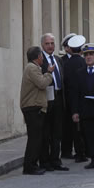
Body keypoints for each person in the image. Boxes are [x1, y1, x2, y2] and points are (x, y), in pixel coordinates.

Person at [20, 46, 54, 175]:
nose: (43, 59)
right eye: (41, 56)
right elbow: (41, 83)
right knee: (34, 138)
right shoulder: (32, 68)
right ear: (38, 57)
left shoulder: (34, 68)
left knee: (37, 138)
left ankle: (32, 165)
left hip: (35, 107)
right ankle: (30, 167)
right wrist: (49, 73)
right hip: (33, 107)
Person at [40, 33, 69, 171]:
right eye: (47, 44)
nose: (50, 46)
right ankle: (45, 162)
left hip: (58, 98)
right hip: (46, 100)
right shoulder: (40, 61)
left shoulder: (58, 60)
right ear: (42, 45)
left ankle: (56, 160)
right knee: (46, 133)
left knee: (57, 132)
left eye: (52, 43)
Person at [61, 35, 87, 162]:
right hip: (82, 98)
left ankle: (78, 151)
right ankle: (81, 151)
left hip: (69, 97)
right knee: (80, 126)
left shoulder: (66, 63)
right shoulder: (84, 62)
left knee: (73, 126)